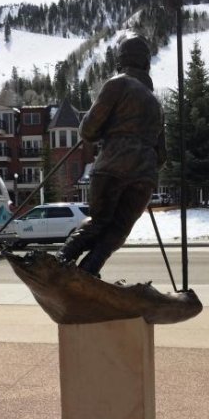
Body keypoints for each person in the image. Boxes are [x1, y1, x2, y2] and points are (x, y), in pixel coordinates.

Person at [55, 32, 166, 277]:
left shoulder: (117, 84)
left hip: (112, 165)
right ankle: (88, 272)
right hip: (144, 176)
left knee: (99, 221)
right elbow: (162, 156)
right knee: (118, 231)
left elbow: (88, 130)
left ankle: (59, 263)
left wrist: (108, 133)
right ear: (146, 64)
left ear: (121, 61)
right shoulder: (157, 106)